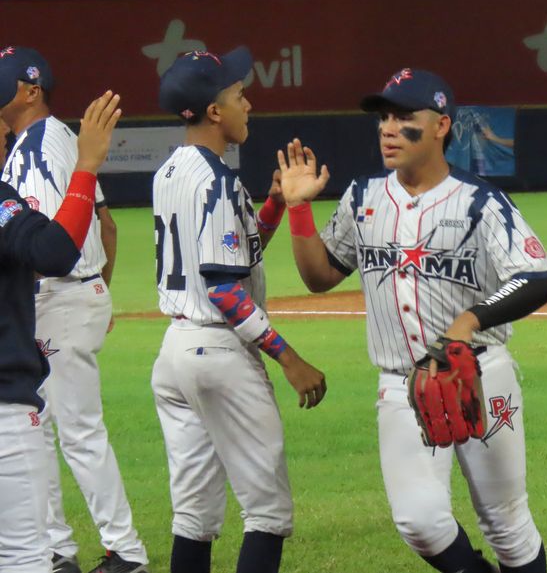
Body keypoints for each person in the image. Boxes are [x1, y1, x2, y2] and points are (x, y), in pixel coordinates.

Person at [279, 68, 547, 573]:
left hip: (480, 374)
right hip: (401, 385)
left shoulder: (480, 202)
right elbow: (320, 276)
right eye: (383, 117)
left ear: (440, 126)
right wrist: (298, 210)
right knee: (419, 522)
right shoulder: (363, 198)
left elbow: (539, 278)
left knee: (506, 524)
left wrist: (469, 320)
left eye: (404, 117)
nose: (388, 128)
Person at [151, 47, 328, 573]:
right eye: (238, 95)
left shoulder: (167, 173)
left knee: (194, 517)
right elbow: (226, 289)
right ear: (213, 111)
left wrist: (272, 206)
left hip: (176, 355)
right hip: (220, 352)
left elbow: (231, 256)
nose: (247, 104)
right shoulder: (220, 181)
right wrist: (287, 356)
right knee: (267, 513)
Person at [0, 47, 147, 573]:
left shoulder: (37, 147)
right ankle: (55, 547)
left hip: (58, 294)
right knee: (35, 428)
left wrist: (85, 292)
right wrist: (98, 292)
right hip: (72, 293)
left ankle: (125, 551)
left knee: (77, 430)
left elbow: (43, 249)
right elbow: (105, 224)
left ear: (29, 89)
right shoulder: (59, 137)